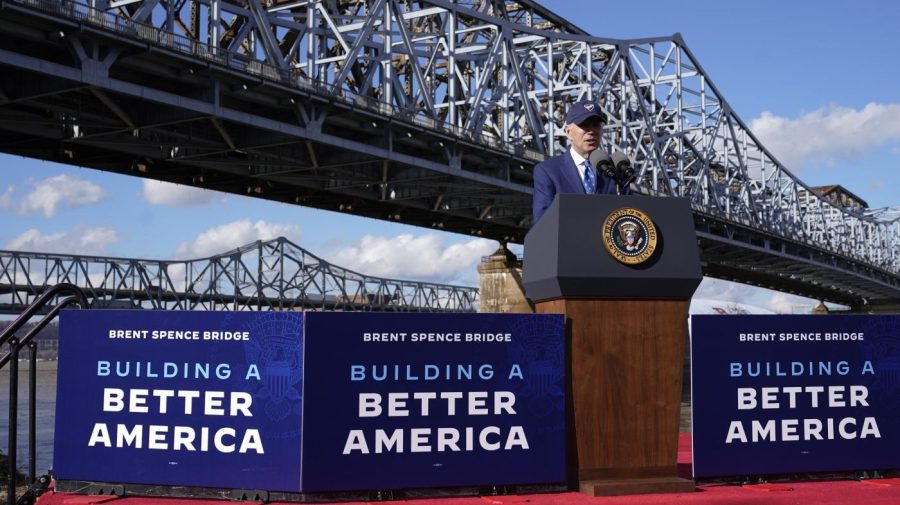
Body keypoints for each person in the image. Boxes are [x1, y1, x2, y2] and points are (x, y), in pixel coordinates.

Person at [532, 99, 628, 223]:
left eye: (596, 125)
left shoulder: (615, 171)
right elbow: (542, 221)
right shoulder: (548, 171)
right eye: (584, 125)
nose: (591, 131)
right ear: (568, 132)